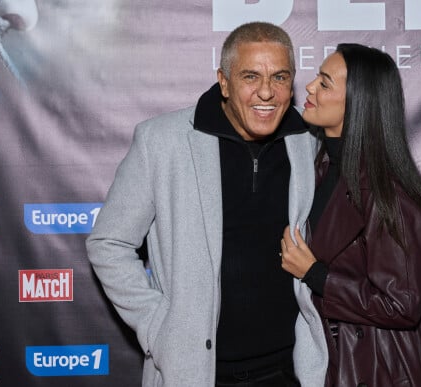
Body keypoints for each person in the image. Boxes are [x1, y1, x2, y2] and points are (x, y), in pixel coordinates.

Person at [86, 22, 328, 387]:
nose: (266, 91)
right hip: (197, 374)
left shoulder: (306, 142)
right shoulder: (162, 141)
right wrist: (157, 325)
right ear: (224, 81)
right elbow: (109, 243)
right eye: (250, 76)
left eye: (279, 77)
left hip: (288, 371)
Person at [280, 43, 421, 387]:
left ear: (357, 103)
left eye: (324, 83)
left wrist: (316, 275)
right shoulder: (320, 167)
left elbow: (402, 303)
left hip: (377, 367)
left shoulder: (389, 192)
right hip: (329, 358)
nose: (309, 87)